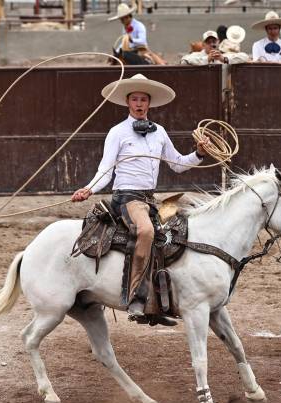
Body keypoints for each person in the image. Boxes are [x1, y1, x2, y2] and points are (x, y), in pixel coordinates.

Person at [70, 74, 209, 326]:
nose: (139, 103)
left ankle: (160, 302)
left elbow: (178, 164)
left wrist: (198, 153)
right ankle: (134, 297)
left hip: (150, 199)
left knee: (181, 219)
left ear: (149, 103)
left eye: (143, 99)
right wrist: (88, 189)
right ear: (127, 102)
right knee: (145, 230)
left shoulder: (160, 133)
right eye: (134, 99)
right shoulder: (117, 132)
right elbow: (105, 169)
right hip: (127, 199)